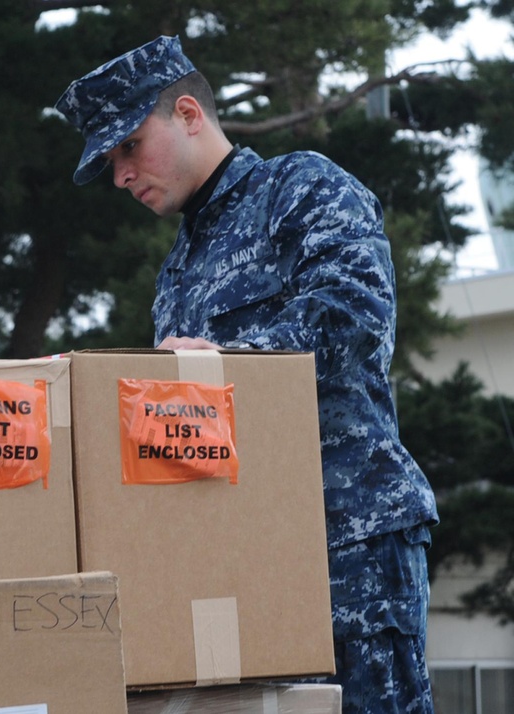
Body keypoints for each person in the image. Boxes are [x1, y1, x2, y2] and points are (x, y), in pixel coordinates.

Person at [55, 35, 440, 713]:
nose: (120, 175)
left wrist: (214, 365)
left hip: (344, 545)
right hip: (239, 561)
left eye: (129, 146)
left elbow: (352, 321)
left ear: (188, 113)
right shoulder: (175, 272)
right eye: (110, 161)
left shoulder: (302, 189)